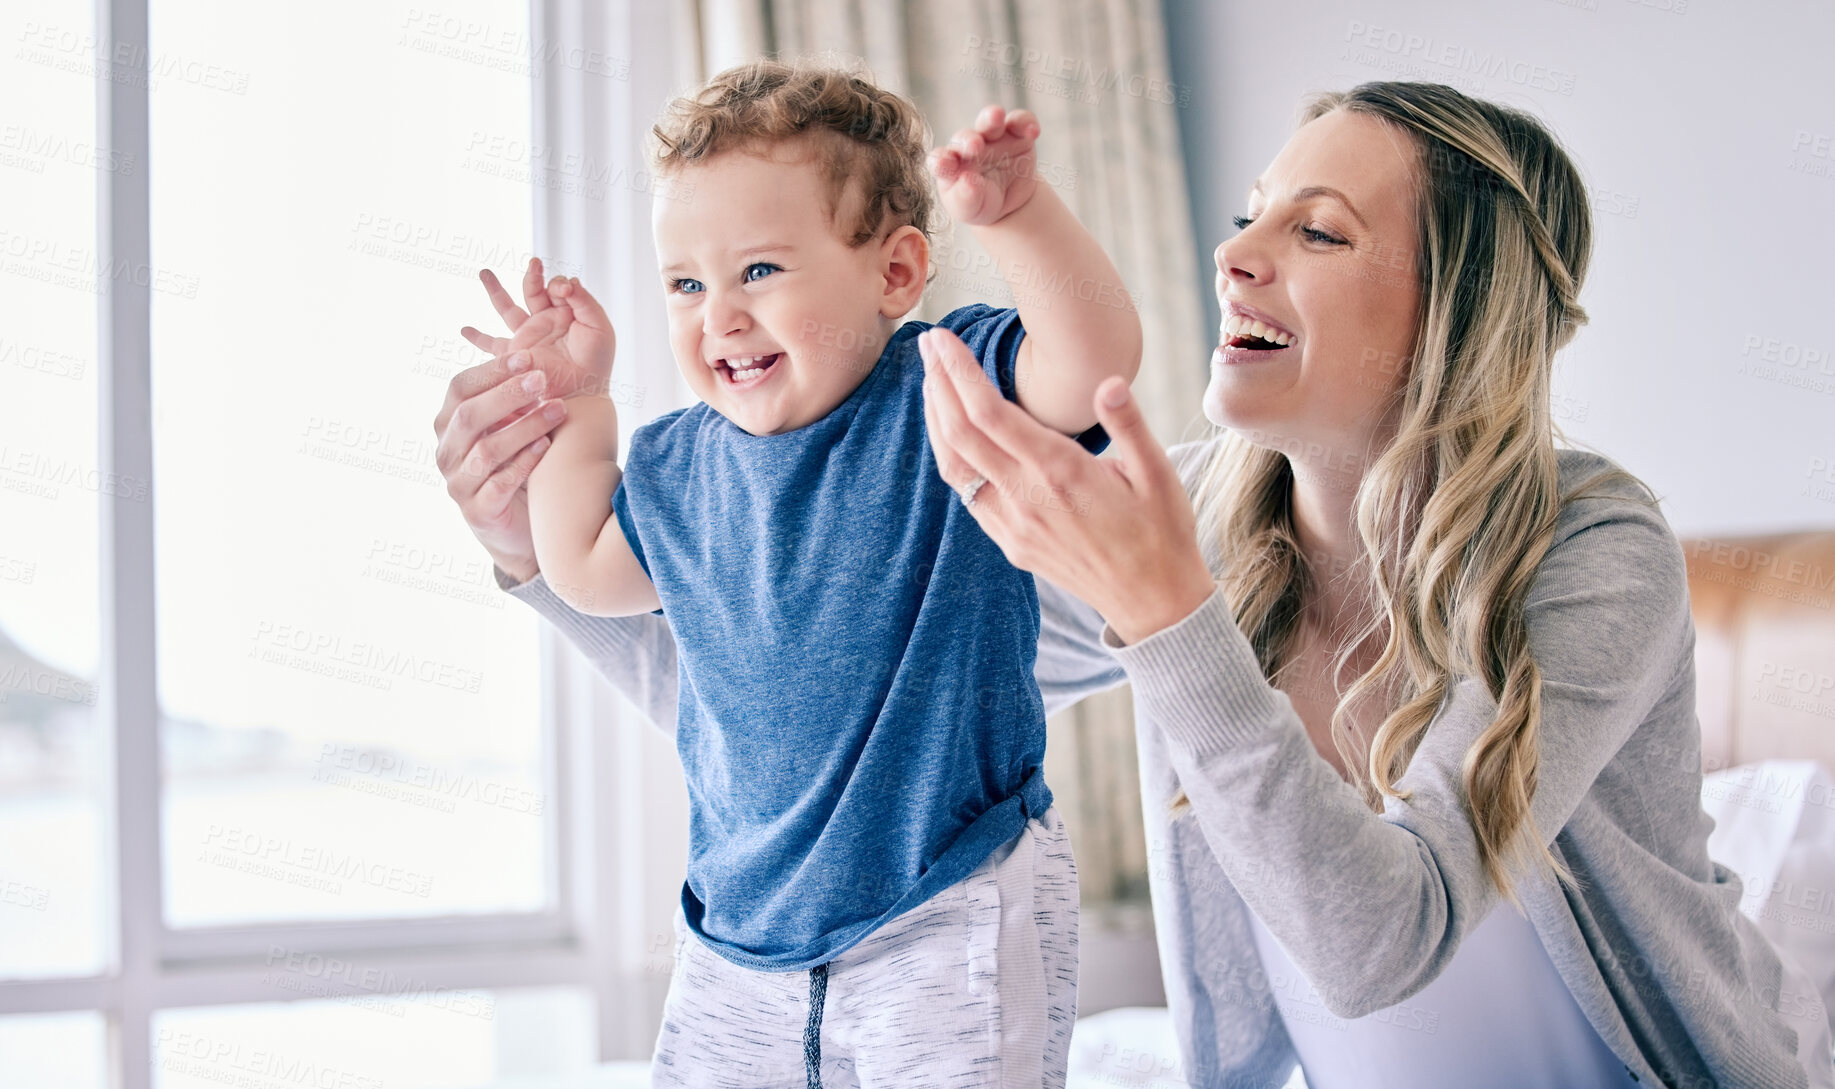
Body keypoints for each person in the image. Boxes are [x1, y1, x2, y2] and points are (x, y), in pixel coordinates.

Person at [434, 81, 1834, 1088]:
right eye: (1246, 217)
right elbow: (802, 677)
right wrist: (528, 548)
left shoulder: (1590, 555)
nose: (1234, 252)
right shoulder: (1211, 518)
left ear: (1454, 306)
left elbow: (1374, 942)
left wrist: (1170, 616)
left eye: (1319, 231)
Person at [444, 59, 1140, 1086]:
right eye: (685, 284)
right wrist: (581, 403)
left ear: (894, 275)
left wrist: (1020, 219)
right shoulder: (681, 461)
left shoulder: (944, 384)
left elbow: (1089, 366)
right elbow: (585, 571)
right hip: (740, 932)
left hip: (946, 900)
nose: (716, 315)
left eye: (758, 272)